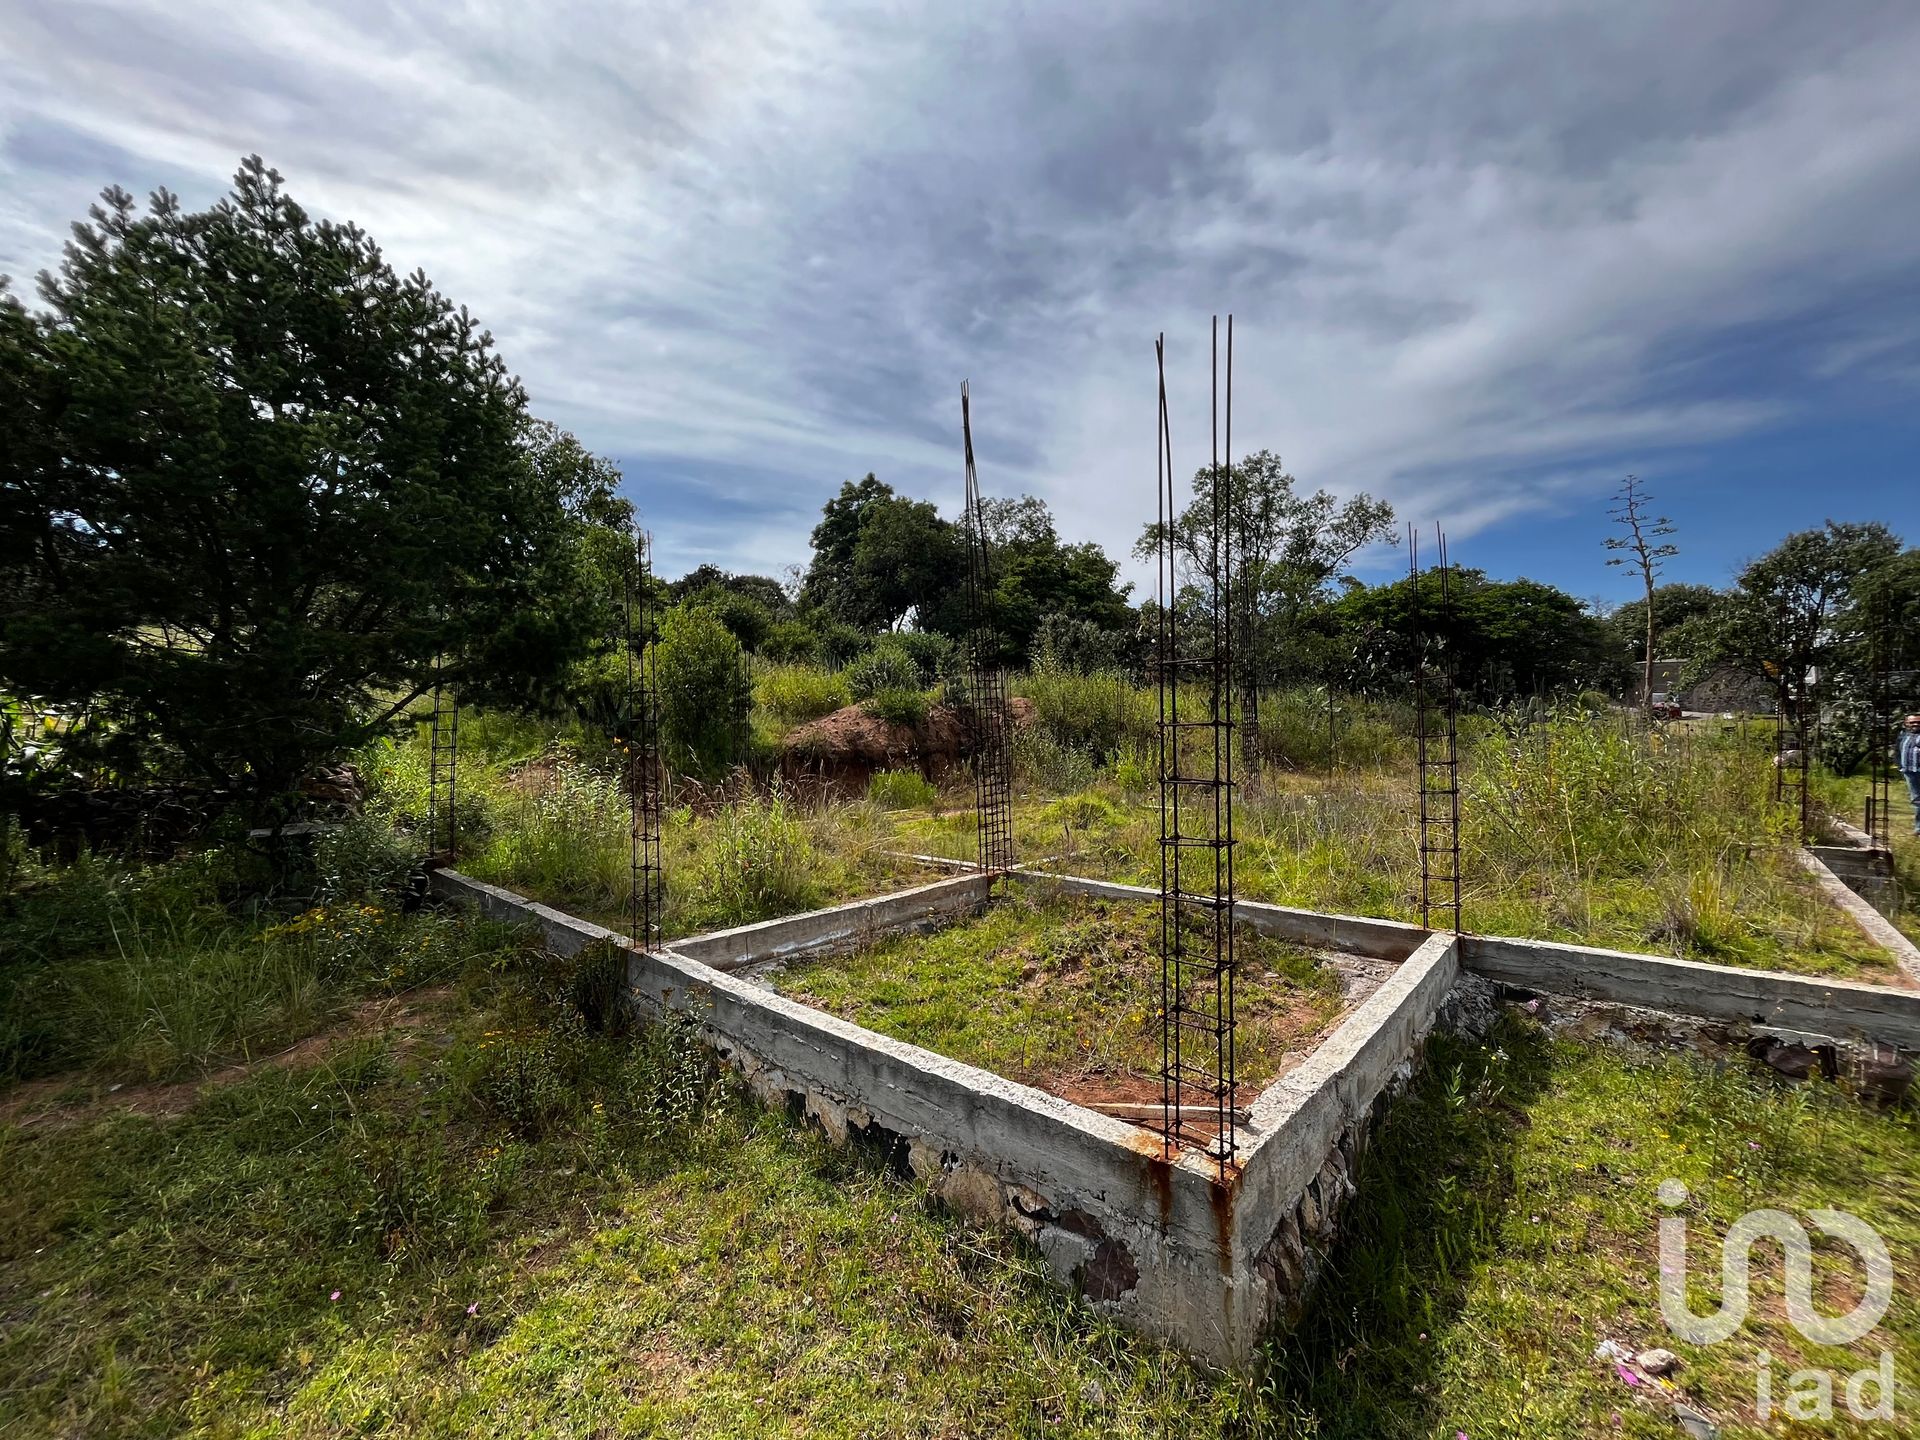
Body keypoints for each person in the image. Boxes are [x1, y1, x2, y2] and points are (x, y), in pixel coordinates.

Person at [1900, 714, 1920, 835]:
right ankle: (1919, 829)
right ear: (1906, 723)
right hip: (1909, 772)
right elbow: (1898, 750)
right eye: (1912, 722)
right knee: (1917, 799)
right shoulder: (1903, 736)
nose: (1916, 724)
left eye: (1918, 722)